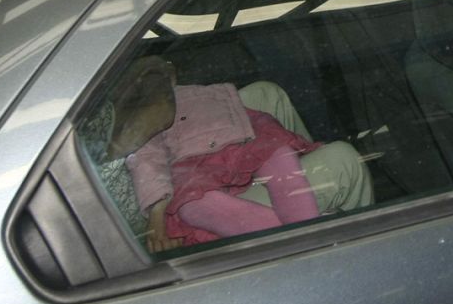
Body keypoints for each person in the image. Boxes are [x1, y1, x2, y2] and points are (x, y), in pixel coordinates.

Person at [107, 57, 331, 252]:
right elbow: (148, 163)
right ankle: (293, 242)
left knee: (280, 156)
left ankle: (306, 233)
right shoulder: (145, 129)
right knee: (192, 204)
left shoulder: (195, 95)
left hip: (238, 138)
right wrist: (157, 212)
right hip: (193, 167)